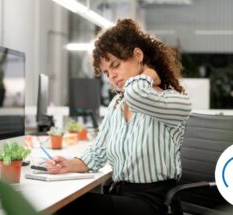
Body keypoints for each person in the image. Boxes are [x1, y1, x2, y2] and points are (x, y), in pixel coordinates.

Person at [46, 18, 192, 215]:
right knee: (61, 202)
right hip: (121, 195)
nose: (112, 76)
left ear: (138, 55)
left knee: (65, 208)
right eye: (106, 72)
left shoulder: (174, 102)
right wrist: (70, 164)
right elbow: (97, 154)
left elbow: (136, 95)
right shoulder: (116, 105)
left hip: (153, 203)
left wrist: (148, 74)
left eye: (116, 65)